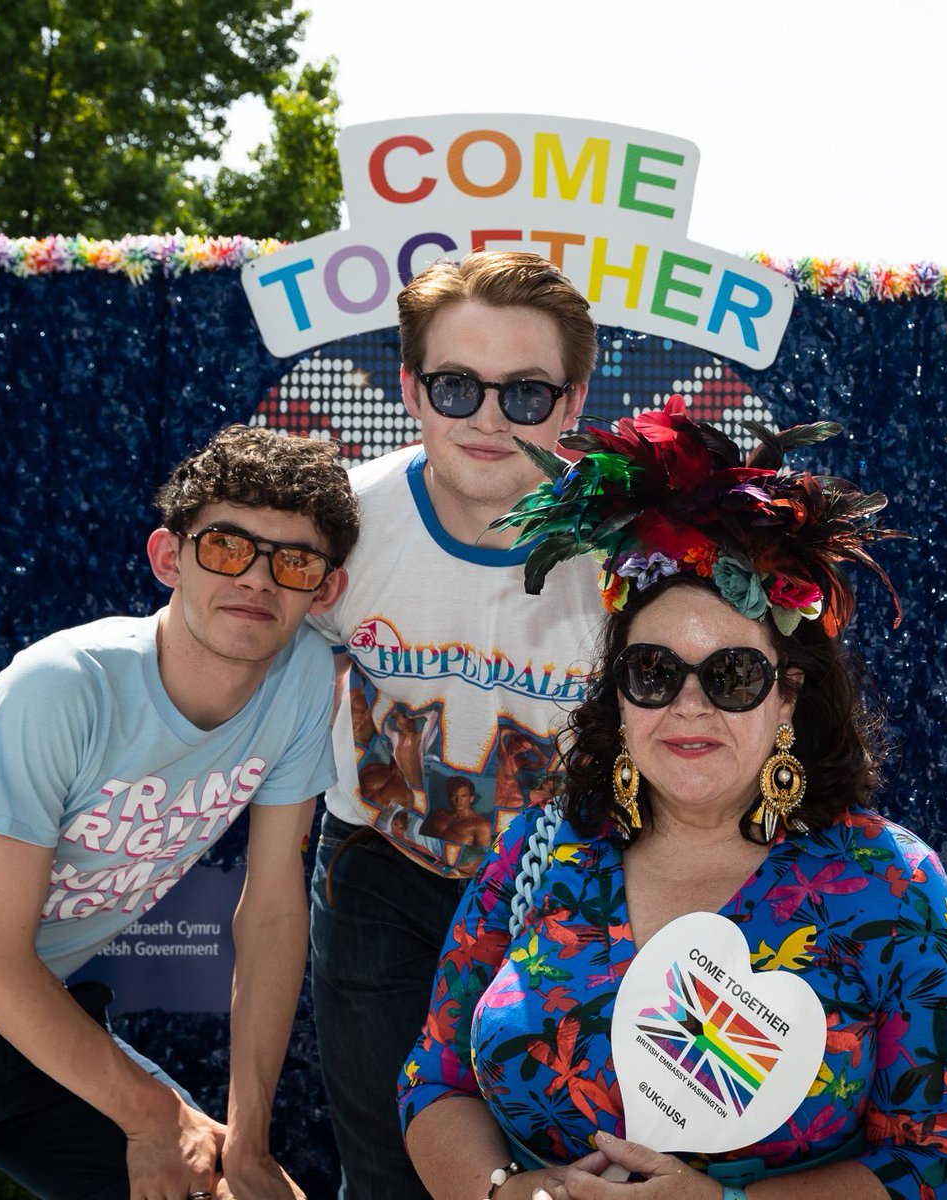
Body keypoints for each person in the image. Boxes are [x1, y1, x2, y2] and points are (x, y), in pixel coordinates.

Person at [399, 399, 947, 1200]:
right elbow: (434, 1081)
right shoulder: (543, 850)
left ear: (787, 696)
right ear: (618, 697)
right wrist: (508, 1191)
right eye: (654, 671)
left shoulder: (890, 885)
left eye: (731, 676)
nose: (689, 706)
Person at [0, 425, 359, 1200]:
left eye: (293, 562)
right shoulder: (62, 685)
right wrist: (153, 1118)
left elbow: (270, 911)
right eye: (228, 547)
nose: (258, 581)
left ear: (324, 590)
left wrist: (250, 1145)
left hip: (35, 1005)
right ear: (170, 556)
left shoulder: (300, 674)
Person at [308, 250, 607, 1198]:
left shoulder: (626, 551)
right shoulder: (341, 521)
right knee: (388, 1170)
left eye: (525, 393)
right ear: (409, 388)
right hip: (379, 871)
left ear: (572, 401)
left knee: (573, 1163)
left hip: (566, 884)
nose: (487, 418)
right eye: (454, 385)